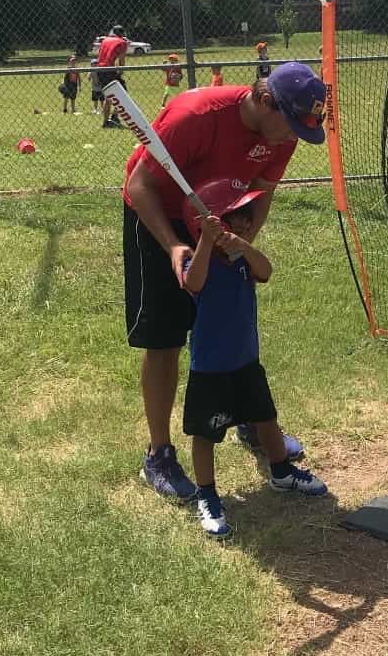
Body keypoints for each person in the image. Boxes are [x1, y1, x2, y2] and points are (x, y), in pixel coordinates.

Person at [123, 61, 328, 502]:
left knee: (231, 328)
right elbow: (140, 185)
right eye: (289, 125)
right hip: (163, 216)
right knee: (165, 337)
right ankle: (158, 453)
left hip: (225, 220)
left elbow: (262, 192)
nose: (292, 137)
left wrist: (241, 240)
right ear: (265, 101)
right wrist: (175, 247)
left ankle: (249, 420)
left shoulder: (282, 134)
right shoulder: (195, 116)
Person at [180, 179, 327, 538]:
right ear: (207, 224)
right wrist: (204, 241)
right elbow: (193, 283)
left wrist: (241, 244)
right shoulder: (192, 257)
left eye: (247, 216)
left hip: (246, 360)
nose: (246, 222)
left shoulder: (241, 258)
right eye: (237, 217)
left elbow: (266, 271)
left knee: (266, 417)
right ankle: (208, 494)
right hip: (210, 368)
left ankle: (281, 472)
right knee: (205, 434)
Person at [97, 25, 129, 128]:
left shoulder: (105, 40)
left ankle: (106, 121)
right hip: (109, 70)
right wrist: (121, 71)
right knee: (123, 94)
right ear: (122, 33)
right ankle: (114, 116)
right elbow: (121, 60)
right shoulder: (122, 42)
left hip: (99, 70)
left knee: (109, 96)